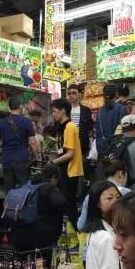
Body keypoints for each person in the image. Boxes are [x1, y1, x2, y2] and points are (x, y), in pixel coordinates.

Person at [11, 164, 68, 254]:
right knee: (43, 260)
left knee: (25, 260)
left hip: (21, 230)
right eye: (57, 179)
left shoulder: (29, 184)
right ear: (53, 177)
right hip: (43, 233)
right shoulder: (49, 188)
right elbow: (62, 204)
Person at [0, 96, 39, 192]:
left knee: (8, 189)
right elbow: (32, 142)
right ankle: (22, 202)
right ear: (20, 106)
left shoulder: (1, 122)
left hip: (7, 159)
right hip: (21, 159)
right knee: (24, 188)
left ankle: (9, 202)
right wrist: (36, 156)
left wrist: (6, 143)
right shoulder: (27, 122)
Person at [50, 98, 83, 229]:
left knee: (69, 205)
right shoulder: (63, 127)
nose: (53, 114)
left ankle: (78, 231)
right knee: (66, 204)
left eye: (54, 111)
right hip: (65, 170)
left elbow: (70, 154)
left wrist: (52, 162)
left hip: (70, 171)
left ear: (63, 110)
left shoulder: (70, 127)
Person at [77, 159, 131, 231]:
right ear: (120, 174)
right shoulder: (127, 193)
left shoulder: (90, 195)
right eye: (109, 198)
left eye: (118, 197)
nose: (115, 201)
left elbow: (81, 226)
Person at [95, 85, 126, 174]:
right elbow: (122, 130)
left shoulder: (100, 111)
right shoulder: (121, 108)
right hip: (116, 151)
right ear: (116, 94)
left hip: (103, 151)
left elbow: (98, 132)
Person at [67, 83, 94, 157]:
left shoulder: (86, 110)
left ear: (79, 94)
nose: (71, 95)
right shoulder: (65, 110)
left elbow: (90, 128)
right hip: (68, 143)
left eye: (74, 93)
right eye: (69, 93)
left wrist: (91, 144)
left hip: (82, 144)